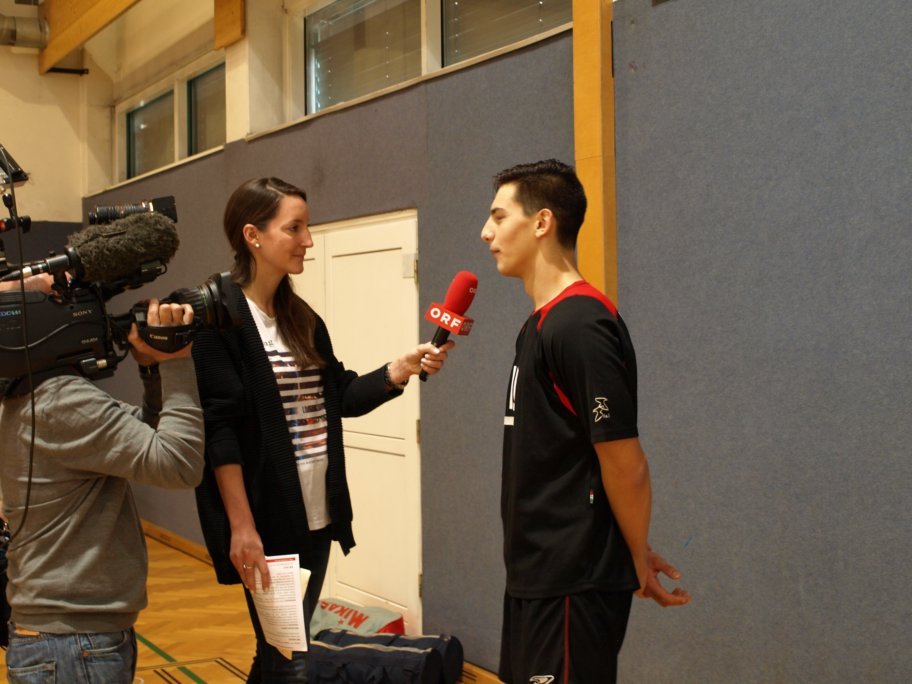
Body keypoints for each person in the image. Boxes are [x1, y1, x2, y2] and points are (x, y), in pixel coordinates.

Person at [192, 177, 454, 682]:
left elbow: (340, 397)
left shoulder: (302, 318)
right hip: (265, 520)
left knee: (279, 653)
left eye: (306, 228)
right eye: (294, 228)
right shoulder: (219, 318)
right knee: (291, 659)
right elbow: (219, 435)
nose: (308, 240)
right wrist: (242, 528)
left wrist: (399, 369)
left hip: (317, 514)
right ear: (253, 235)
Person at [480, 159, 691, 684]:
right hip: (536, 576)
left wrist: (634, 554)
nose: (486, 232)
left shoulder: (580, 324)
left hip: (572, 580)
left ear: (542, 222)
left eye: (499, 217)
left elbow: (625, 464)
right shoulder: (539, 324)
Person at [0, 297, 204, 684]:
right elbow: (178, 464)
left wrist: (152, 370)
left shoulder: (37, 395)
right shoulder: (62, 401)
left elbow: (145, 434)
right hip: (73, 644)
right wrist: (176, 360)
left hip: (70, 639)